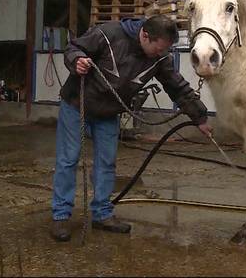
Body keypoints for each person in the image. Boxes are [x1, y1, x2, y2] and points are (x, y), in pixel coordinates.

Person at [50, 15, 212, 242]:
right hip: (77, 104)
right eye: (158, 49)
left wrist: (200, 117)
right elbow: (74, 47)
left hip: (109, 113)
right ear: (145, 35)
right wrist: (77, 59)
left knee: (106, 162)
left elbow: (177, 86)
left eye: (164, 50)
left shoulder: (159, 57)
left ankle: (102, 214)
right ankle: (60, 215)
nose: (160, 54)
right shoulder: (108, 34)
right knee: (69, 159)